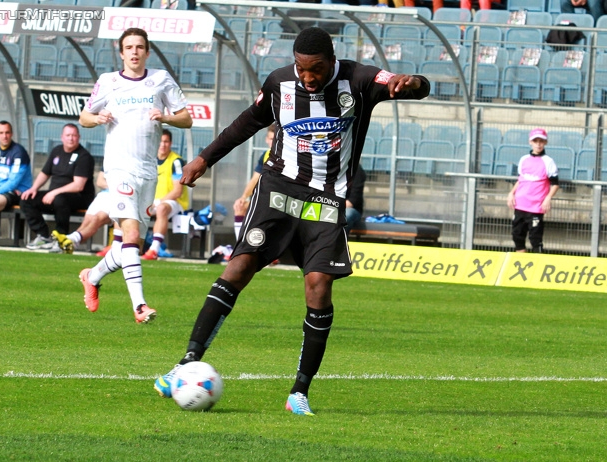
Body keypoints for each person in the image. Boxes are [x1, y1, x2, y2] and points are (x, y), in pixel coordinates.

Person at [153, 27, 430, 415]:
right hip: (279, 190)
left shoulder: (361, 80)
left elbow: (417, 87)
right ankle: (184, 363)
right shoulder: (280, 83)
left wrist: (411, 81)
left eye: (315, 70)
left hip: (326, 200)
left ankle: (299, 392)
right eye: (302, 68)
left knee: (318, 288)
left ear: (331, 61)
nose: (307, 77)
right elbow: (247, 122)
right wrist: (204, 158)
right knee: (238, 269)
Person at [78, 27, 193, 324]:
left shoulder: (160, 79)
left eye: (139, 47)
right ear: (121, 52)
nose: (134, 52)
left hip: (147, 171)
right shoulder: (108, 82)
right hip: (119, 168)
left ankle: (92, 276)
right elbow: (84, 117)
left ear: (147, 51)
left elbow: (186, 118)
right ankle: (140, 306)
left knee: (130, 245)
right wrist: (97, 117)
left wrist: (165, 117)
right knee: (129, 235)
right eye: (128, 47)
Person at [21, 123, 95, 251]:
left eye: (74, 135)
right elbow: (45, 173)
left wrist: (54, 193)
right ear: (62, 137)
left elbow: (78, 185)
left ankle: (61, 238)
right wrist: (34, 188)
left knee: (60, 199)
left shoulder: (84, 156)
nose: (71, 138)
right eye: (68, 135)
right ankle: (44, 235)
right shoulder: (57, 151)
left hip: (79, 197)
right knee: (26, 199)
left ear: (79, 137)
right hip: (55, 195)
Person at [507, 128, 559, 254]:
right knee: (517, 235)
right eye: (535, 141)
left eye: (541, 141)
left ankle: (537, 265)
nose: (538, 144)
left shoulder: (548, 161)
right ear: (530, 142)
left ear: (545, 142)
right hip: (520, 204)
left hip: (536, 206)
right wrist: (511, 193)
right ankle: (522, 262)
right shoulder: (524, 159)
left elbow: (555, 183)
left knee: (535, 238)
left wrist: (548, 198)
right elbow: (521, 179)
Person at [142, 129, 189, 260]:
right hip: (152, 202)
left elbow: (177, 191)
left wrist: (157, 202)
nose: (163, 145)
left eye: (166, 141)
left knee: (162, 208)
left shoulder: (176, 161)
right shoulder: (149, 160)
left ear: (171, 143)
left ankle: (153, 250)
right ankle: (120, 245)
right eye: (160, 141)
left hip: (175, 202)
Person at [51, 171, 113, 253]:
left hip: (120, 196)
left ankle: (70, 240)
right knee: (87, 221)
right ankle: (70, 243)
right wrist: (115, 187)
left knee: (97, 218)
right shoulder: (110, 159)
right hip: (104, 195)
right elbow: (100, 182)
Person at [232, 123, 276, 240]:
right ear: (267, 140)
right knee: (240, 207)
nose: (274, 142)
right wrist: (243, 197)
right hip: (264, 199)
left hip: (278, 200)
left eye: (276, 139)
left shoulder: (288, 157)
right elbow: (255, 179)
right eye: (271, 139)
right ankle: (239, 247)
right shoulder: (265, 155)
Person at [345, 163, 366, 232]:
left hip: (351, 209)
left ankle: (340, 241)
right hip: (331, 206)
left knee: (345, 215)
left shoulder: (356, 169)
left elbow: (351, 201)